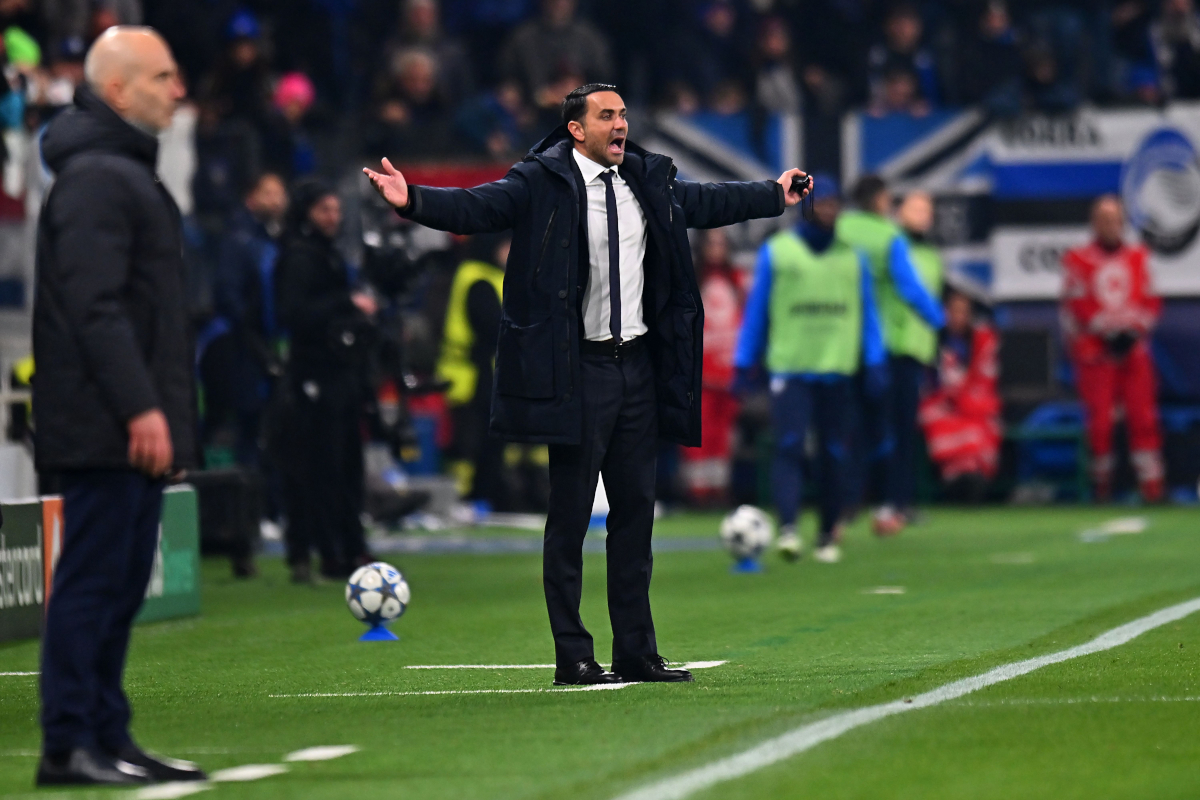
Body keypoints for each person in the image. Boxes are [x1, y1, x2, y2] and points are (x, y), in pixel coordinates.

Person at [365, 83, 809, 685]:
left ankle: (636, 650)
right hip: (577, 370)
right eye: (607, 115)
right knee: (570, 517)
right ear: (576, 129)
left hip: (638, 369)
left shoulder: (647, 180)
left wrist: (772, 195)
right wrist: (412, 198)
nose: (620, 124)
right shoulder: (539, 181)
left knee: (635, 517)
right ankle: (573, 653)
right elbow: (477, 208)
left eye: (624, 113)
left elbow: (706, 202)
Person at [32, 26, 205, 786]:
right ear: (117, 90)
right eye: (164, 77)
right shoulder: (102, 177)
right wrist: (142, 408)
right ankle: (69, 742)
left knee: (118, 583)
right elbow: (93, 307)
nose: (179, 91)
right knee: (95, 584)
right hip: (106, 423)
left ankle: (107, 734)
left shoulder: (119, 172)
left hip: (125, 422)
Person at [734, 176, 885, 564]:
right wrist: (744, 359)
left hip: (836, 368)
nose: (830, 210)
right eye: (823, 203)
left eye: (835, 204)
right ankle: (787, 527)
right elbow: (757, 310)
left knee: (833, 454)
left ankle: (826, 533)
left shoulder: (853, 257)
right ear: (806, 205)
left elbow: (868, 313)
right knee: (788, 447)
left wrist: (875, 359)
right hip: (791, 367)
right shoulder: (779, 251)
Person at [275, 180, 377, 583]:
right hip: (315, 376)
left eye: (335, 210)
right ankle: (328, 549)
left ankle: (349, 546)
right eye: (323, 210)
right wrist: (346, 304)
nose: (332, 218)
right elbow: (294, 314)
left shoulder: (329, 255)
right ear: (306, 213)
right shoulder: (300, 259)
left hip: (341, 374)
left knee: (347, 465)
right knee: (322, 466)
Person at [836, 177, 944, 536]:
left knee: (849, 428)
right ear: (882, 200)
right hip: (890, 347)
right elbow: (910, 288)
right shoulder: (888, 237)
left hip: (841, 345)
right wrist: (941, 324)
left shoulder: (838, 229)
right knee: (893, 430)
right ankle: (892, 504)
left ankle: (846, 503)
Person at [1061, 195, 1164, 503]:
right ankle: (1101, 488)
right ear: (1094, 223)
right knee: (1101, 423)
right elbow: (1076, 305)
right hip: (1097, 354)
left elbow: (1151, 300)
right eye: (1104, 219)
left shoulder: (1138, 257)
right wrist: (1105, 332)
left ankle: (1153, 489)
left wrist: (1134, 332)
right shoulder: (1078, 260)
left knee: (1143, 418)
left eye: (1115, 219)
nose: (1110, 225)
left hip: (1133, 352)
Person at [209, 172, 289, 467]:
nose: (277, 200)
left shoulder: (275, 239)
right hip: (244, 349)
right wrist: (250, 333)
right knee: (249, 427)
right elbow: (228, 293)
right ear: (252, 198)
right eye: (269, 193)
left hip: (269, 345)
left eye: (280, 193)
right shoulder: (240, 239)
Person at [438, 233, 509, 512]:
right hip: (470, 374)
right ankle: (469, 499)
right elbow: (492, 326)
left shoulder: (482, 274)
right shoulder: (479, 278)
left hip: (478, 372)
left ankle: (480, 497)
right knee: (472, 442)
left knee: (480, 441)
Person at [918, 290, 1002, 503]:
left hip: (972, 403)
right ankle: (956, 478)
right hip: (941, 404)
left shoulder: (979, 340)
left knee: (982, 423)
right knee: (939, 420)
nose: (958, 317)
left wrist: (964, 397)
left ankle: (973, 478)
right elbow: (928, 384)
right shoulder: (931, 340)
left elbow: (985, 379)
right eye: (952, 311)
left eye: (963, 312)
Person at [680, 228, 742, 506]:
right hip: (699, 373)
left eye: (722, 243)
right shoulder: (692, 279)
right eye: (712, 243)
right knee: (698, 433)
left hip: (729, 372)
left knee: (723, 435)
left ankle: (719, 488)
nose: (717, 248)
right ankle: (697, 490)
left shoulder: (737, 281)